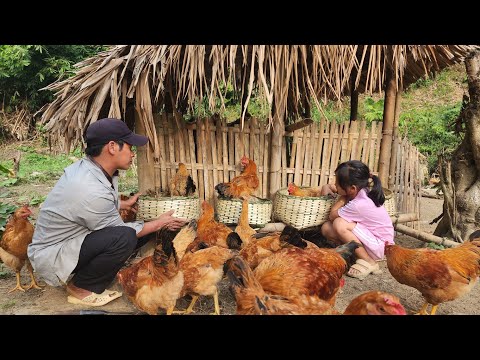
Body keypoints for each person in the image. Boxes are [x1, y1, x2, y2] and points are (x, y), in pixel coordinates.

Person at [28, 118, 187, 306]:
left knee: (140, 228)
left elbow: (81, 206)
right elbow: (115, 226)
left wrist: (122, 205)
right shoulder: (89, 187)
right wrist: (159, 223)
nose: (133, 154)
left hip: (69, 241)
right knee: (126, 236)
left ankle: (89, 273)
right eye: (129, 147)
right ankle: (82, 287)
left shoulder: (92, 169)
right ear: (112, 147)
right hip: (54, 255)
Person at [320, 160, 394, 280]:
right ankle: (356, 255)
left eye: (337, 184)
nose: (335, 186)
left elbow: (332, 215)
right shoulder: (362, 191)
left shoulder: (359, 204)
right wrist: (327, 187)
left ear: (352, 189)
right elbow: (339, 189)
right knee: (327, 228)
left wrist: (342, 198)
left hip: (380, 247)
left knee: (339, 223)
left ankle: (369, 261)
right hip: (372, 240)